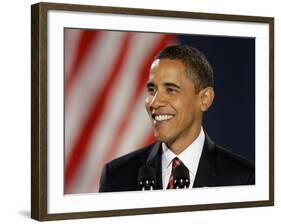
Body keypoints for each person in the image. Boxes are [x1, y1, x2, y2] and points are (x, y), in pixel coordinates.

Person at [99, 45, 255, 192]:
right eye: (152, 90)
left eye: (171, 90)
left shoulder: (244, 178)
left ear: (205, 99)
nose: (155, 102)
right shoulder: (116, 177)